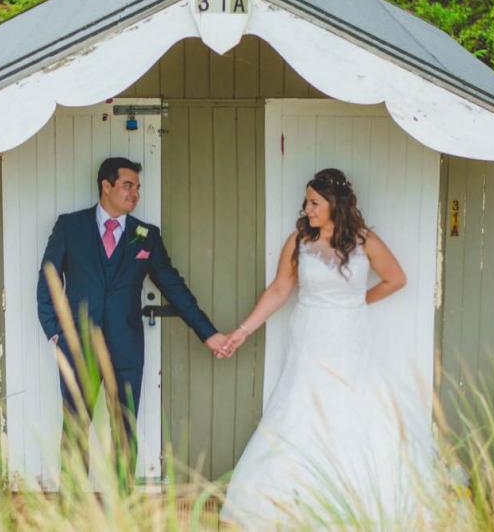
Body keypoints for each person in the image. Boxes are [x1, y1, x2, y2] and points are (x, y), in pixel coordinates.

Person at [218, 168, 431, 527]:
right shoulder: (298, 240)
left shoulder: (365, 242)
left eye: (314, 203)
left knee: (351, 408)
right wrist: (242, 331)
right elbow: (279, 290)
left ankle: (354, 500)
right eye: (307, 202)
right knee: (302, 407)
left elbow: (397, 279)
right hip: (310, 338)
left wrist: (357, 300)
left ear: (335, 204)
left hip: (349, 338)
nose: (307, 209)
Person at [36, 157, 229, 485]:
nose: (135, 193)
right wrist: (55, 332)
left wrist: (208, 333)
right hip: (77, 347)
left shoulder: (146, 235)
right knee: (76, 428)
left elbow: (173, 287)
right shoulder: (70, 226)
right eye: (128, 185)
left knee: (124, 429)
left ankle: (121, 506)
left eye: (137, 188)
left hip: (126, 349)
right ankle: (72, 509)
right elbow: (48, 280)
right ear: (106, 186)